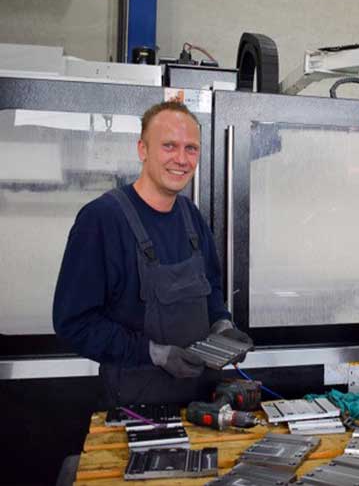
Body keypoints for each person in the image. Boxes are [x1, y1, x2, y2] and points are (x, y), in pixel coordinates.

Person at [53, 101, 252, 406]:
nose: (182, 159)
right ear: (142, 150)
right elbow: (74, 324)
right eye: (169, 146)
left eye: (191, 149)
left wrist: (222, 325)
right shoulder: (102, 220)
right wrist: (154, 353)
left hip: (200, 399)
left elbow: (210, 290)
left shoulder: (191, 218)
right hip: (136, 405)